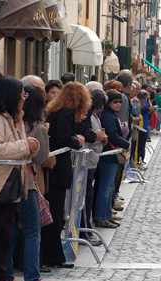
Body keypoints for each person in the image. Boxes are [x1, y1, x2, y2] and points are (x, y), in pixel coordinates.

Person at [0, 76, 39, 281]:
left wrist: (30, 147)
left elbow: (19, 149)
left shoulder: (14, 118)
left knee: (3, 236)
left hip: (11, 184)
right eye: (22, 96)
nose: (24, 100)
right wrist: (25, 144)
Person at [5, 83, 55, 281]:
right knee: (33, 230)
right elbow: (43, 158)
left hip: (8, 181)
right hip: (27, 182)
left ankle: (7, 276)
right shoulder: (37, 126)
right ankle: (33, 279)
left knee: (10, 232)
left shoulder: (12, 121)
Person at [41, 82, 88, 269]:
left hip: (54, 167)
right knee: (56, 213)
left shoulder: (56, 111)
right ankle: (52, 255)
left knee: (55, 212)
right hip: (58, 167)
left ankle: (52, 254)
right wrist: (77, 140)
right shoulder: (67, 112)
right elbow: (63, 138)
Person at [95, 90, 130, 228]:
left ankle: (106, 215)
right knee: (106, 188)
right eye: (115, 101)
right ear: (108, 102)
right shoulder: (108, 116)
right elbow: (113, 135)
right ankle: (101, 217)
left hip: (110, 155)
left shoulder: (111, 114)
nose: (118, 104)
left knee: (109, 188)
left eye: (120, 101)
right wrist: (126, 144)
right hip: (108, 156)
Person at [82, 89, 108, 241]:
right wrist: (98, 136)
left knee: (88, 195)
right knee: (85, 197)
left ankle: (86, 229)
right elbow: (89, 134)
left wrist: (100, 137)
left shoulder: (94, 116)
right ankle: (85, 231)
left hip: (92, 160)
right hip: (87, 161)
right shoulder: (88, 117)